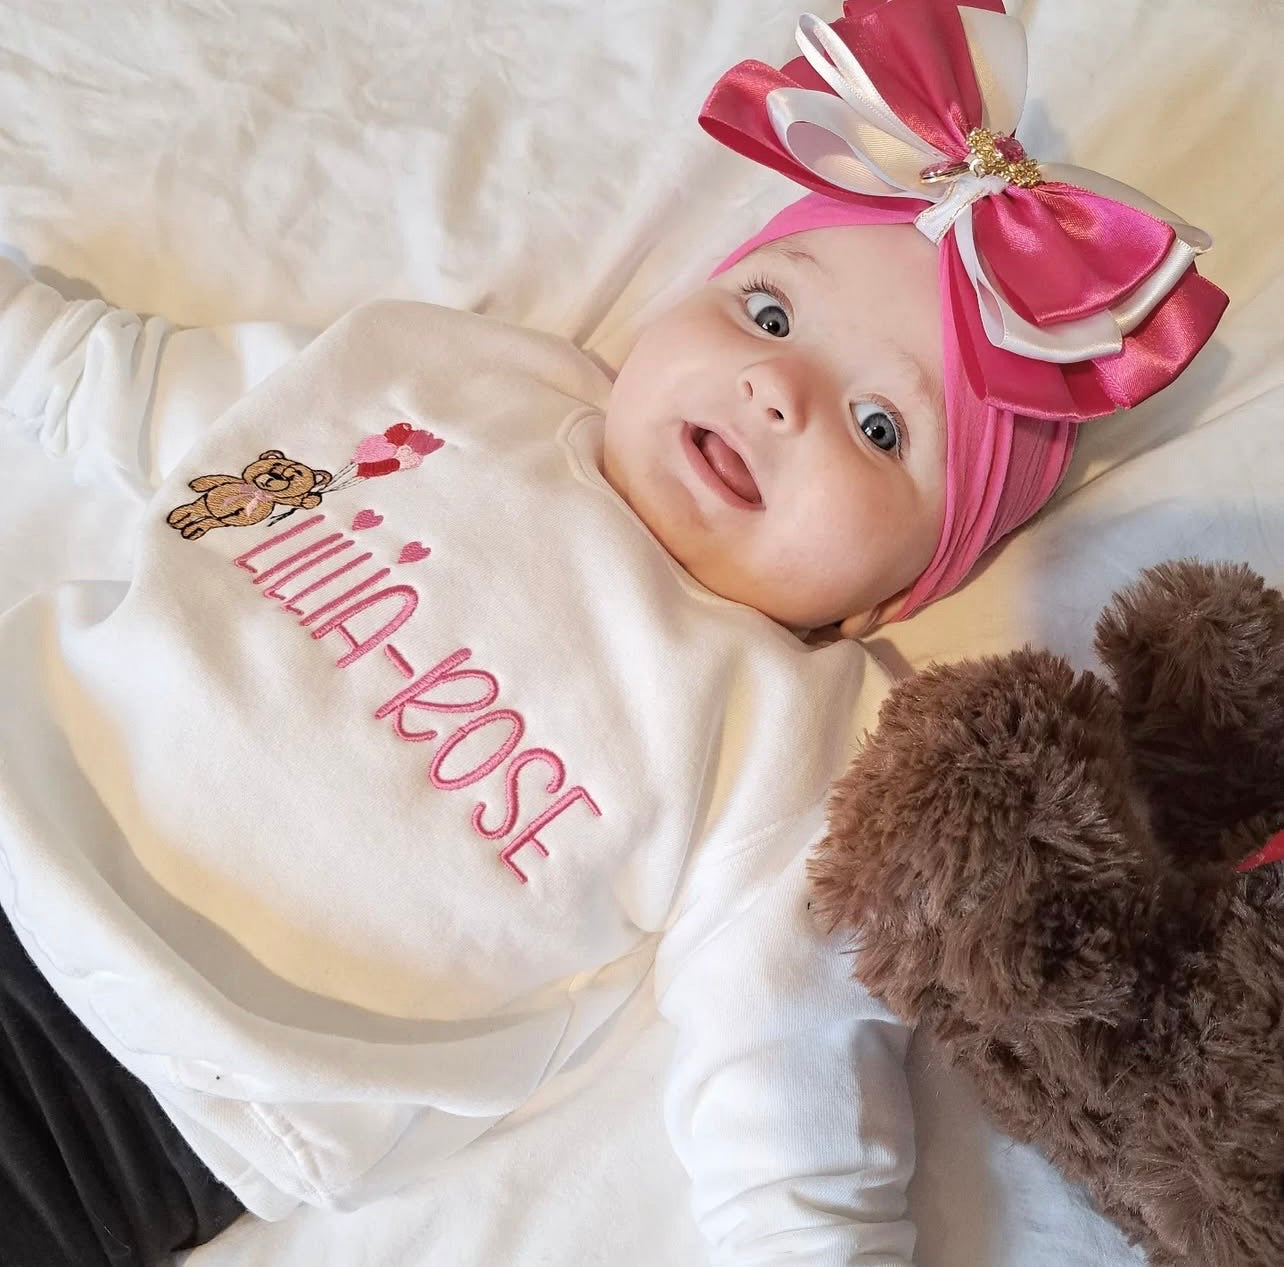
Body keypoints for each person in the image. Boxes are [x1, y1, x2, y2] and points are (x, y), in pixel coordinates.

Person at [0, 2, 1224, 1264]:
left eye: (878, 429)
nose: (776, 387)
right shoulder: (469, 383)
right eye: (765, 311)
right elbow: (181, 413)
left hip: (166, 1093)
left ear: (883, 601)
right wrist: (28, 340)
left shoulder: (797, 737)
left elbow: (780, 1074)